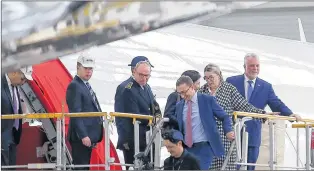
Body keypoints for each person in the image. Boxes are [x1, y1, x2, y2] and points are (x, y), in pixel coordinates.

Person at [226, 53, 302, 170]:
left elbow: (276, 103)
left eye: (257, 66)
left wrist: (290, 114)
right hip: (233, 132)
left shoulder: (266, 86)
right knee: (232, 166)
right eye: (251, 66)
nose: (255, 68)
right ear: (244, 66)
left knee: (250, 166)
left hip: (253, 133)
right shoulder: (232, 81)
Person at [199, 63, 276, 170]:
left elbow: (244, 105)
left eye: (211, 77)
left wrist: (262, 113)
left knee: (226, 167)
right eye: (206, 78)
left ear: (219, 75)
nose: (208, 81)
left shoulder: (229, 89)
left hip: (225, 138)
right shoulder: (201, 92)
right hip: (207, 140)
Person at [170, 75, 235, 170]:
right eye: (180, 93)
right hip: (186, 148)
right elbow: (177, 126)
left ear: (192, 87)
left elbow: (225, 117)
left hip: (204, 147)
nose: (183, 96)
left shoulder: (207, 100)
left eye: (184, 92)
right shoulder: (179, 105)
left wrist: (228, 131)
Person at [114, 56, 161, 170]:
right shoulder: (126, 88)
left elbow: (154, 106)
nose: (144, 78)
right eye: (141, 75)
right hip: (133, 139)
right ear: (133, 71)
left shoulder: (146, 87)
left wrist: (158, 117)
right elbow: (126, 117)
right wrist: (126, 142)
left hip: (147, 138)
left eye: (147, 75)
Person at [66, 52, 103, 170]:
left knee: (84, 167)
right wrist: (83, 135)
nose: (89, 71)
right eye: (86, 68)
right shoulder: (75, 86)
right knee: (81, 167)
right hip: (81, 137)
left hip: (87, 136)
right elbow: (75, 113)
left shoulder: (84, 85)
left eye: (91, 68)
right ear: (78, 67)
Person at [1, 66, 33, 166]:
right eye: (23, 79)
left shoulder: (16, 87)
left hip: (13, 136)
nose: (23, 82)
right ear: (14, 72)